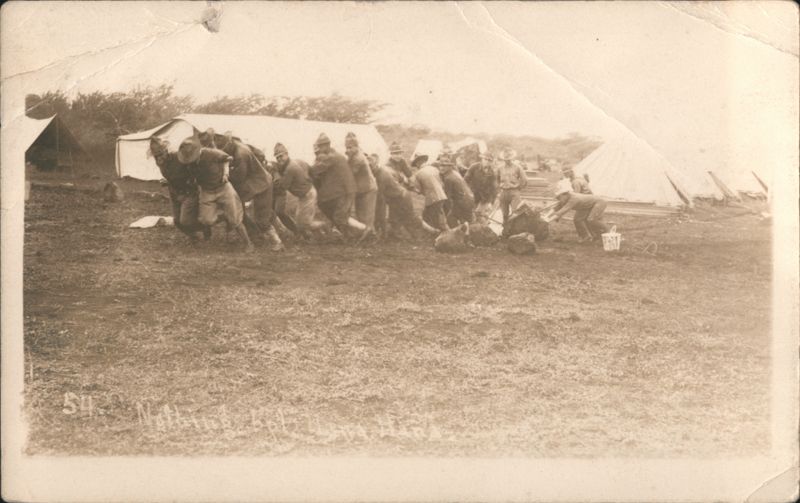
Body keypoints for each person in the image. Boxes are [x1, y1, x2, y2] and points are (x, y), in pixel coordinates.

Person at [177, 135, 255, 253]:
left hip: (223, 188)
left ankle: (248, 243)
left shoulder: (210, 153)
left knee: (235, 220)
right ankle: (224, 215)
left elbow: (227, 159)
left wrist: (226, 173)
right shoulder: (187, 162)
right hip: (206, 192)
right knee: (206, 220)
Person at [216, 132, 284, 251]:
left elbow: (239, 177)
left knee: (261, 218)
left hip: (262, 185)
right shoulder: (237, 144)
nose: (224, 152)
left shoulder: (241, 154)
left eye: (224, 149)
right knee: (241, 209)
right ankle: (267, 233)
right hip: (254, 183)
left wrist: (224, 175)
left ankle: (277, 242)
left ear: (229, 143)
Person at [149, 137, 208, 241]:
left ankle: (204, 227)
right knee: (177, 221)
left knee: (185, 221)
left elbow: (194, 166)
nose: (159, 157)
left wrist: (192, 180)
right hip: (174, 193)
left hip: (189, 192)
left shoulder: (178, 157)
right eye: (156, 156)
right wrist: (168, 181)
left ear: (166, 151)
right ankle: (194, 236)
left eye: (160, 154)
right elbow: (171, 175)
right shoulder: (159, 162)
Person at [310, 133, 366, 241]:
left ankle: (364, 229)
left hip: (346, 191)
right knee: (335, 213)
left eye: (321, 146)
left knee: (340, 217)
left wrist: (306, 169)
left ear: (327, 145)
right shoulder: (333, 155)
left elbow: (315, 170)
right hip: (344, 190)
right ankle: (350, 235)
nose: (319, 149)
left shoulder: (331, 157)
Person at [372, 154, 434, 240]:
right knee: (394, 218)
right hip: (396, 196)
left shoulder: (382, 176)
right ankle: (395, 235)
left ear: (375, 166)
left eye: (371, 167)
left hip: (401, 197)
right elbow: (401, 178)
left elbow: (380, 196)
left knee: (409, 217)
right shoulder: (385, 169)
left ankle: (428, 232)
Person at [273, 142, 326, 239]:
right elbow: (309, 168)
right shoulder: (295, 162)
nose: (279, 159)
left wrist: (276, 173)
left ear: (286, 154)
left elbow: (282, 187)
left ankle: (324, 225)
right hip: (306, 195)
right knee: (300, 222)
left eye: (281, 156)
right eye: (277, 157)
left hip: (307, 196)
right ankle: (319, 236)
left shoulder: (290, 169)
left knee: (303, 224)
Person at [345, 132, 377, 240]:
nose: (348, 150)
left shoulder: (357, 158)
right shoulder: (354, 156)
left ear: (356, 146)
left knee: (367, 215)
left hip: (368, 189)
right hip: (361, 189)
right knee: (360, 213)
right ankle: (364, 235)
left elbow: (350, 174)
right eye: (347, 147)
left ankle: (371, 236)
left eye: (350, 147)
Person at [411, 156, 450, 232]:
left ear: (418, 164)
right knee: (428, 215)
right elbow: (442, 182)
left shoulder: (418, 173)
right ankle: (433, 232)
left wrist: (412, 188)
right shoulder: (434, 169)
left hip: (432, 199)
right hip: (442, 195)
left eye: (416, 165)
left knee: (437, 219)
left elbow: (418, 190)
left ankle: (444, 233)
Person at [438, 155, 475, 227]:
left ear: (449, 166)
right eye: (440, 165)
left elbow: (446, 198)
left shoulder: (448, 178)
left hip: (462, 202)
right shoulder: (455, 172)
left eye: (444, 166)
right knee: (466, 220)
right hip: (470, 199)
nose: (441, 168)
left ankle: (458, 231)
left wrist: (441, 209)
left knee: (450, 218)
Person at [496, 148, 528, 227]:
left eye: (509, 159)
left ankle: (515, 229)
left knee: (515, 212)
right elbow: (496, 179)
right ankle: (505, 229)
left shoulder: (517, 167)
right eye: (505, 159)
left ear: (512, 158)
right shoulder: (500, 168)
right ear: (503, 159)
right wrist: (499, 189)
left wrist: (518, 188)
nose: (507, 161)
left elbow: (524, 179)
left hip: (514, 192)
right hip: (503, 192)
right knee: (504, 213)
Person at [465, 151, 498, 223]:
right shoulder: (474, 167)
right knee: (471, 217)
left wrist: (491, 202)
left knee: (482, 217)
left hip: (484, 198)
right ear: (482, 159)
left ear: (491, 162)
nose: (487, 162)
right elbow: (465, 181)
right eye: (485, 159)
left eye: (489, 160)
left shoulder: (492, 173)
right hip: (472, 196)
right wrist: (467, 193)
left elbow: (494, 189)